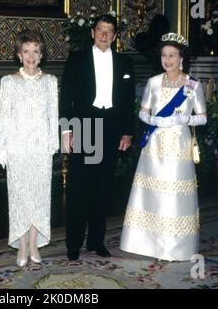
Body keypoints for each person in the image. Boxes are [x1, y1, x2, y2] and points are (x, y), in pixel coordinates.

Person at [120, 32, 207, 261]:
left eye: (172, 55)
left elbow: (203, 118)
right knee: (152, 192)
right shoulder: (153, 82)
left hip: (179, 144)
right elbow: (142, 112)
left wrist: (183, 120)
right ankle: (146, 243)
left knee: (174, 193)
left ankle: (176, 246)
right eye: (163, 55)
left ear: (181, 58)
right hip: (155, 143)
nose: (167, 60)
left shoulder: (192, 85)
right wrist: (153, 120)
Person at [60, 14, 136, 261]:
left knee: (103, 189)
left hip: (111, 128)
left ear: (114, 36)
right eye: (100, 30)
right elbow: (66, 97)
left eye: (109, 31)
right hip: (84, 127)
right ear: (93, 33)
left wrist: (127, 131)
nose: (104, 34)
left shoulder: (125, 63)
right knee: (79, 188)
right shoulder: (77, 59)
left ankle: (96, 241)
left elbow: (128, 101)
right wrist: (66, 130)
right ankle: (73, 244)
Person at [0, 29, 59, 267]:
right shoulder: (9, 82)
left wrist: (54, 143)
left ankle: (33, 243)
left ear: (41, 55)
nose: (31, 56)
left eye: (36, 51)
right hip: (17, 148)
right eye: (26, 51)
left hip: (41, 148)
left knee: (39, 197)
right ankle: (21, 244)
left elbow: (54, 115)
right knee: (20, 197)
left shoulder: (50, 82)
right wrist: (1, 148)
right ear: (19, 55)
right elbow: (4, 118)